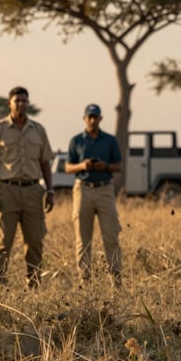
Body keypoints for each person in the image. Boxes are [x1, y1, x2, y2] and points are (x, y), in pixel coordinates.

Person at [0, 86, 55, 288]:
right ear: (9, 104)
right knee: (3, 242)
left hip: (33, 191)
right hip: (7, 191)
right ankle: (0, 285)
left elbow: (45, 163)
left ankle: (34, 286)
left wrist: (50, 191)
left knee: (34, 242)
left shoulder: (38, 130)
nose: (21, 104)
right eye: (17, 101)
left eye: (24, 101)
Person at [65, 103, 123, 286]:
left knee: (111, 236)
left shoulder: (110, 140)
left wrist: (104, 166)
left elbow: (119, 166)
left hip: (105, 188)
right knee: (83, 239)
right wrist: (83, 165)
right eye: (89, 117)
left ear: (100, 119)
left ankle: (116, 280)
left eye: (95, 117)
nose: (92, 120)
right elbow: (67, 167)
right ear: (84, 119)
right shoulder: (76, 141)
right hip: (83, 189)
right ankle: (85, 281)